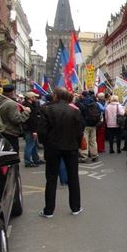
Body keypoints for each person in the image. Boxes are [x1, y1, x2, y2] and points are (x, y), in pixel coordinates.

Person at [37, 88, 84, 217]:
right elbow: (80, 132)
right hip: (71, 147)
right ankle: (75, 207)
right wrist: (77, 145)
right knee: (73, 177)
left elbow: (42, 131)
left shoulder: (46, 109)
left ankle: (49, 210)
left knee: (51, 178)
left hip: (53, 147)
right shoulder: (75, 111)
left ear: (56, 96)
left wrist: (44, 143)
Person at [0, 84, 31, 152]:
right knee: (12, 156)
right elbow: (16, 119)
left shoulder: (0, 100)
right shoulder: (11, 103)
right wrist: (26, 112)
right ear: (12, 92)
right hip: (10, 132)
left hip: (2, 132)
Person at [77, 91, 102, 163]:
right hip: (94, 124)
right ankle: (95, 155)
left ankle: (84, 156)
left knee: (84, 141)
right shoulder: (95, 103)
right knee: (93, 141)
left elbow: (76, 105)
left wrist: (78, 99)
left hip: (85, 125)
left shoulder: (82, 103)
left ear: (83, 96)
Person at [22, 91, 44, 167]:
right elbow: (31, 120)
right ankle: (27, 162)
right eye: (34, 97)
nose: (36, 98)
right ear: (30, 98)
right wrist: (34, 131)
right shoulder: (27, 106)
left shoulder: (31, 104)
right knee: (30, 144)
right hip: (30, 128)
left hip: (31, 128)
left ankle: (36, 159)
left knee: (33, 145)